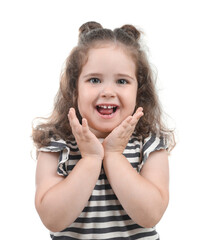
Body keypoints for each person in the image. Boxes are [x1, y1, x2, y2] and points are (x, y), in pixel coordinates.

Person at [32, 21, 175, 239]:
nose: (108, 91)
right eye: (95, 80)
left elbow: (151, 215)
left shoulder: (150, 144)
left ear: (140, 91)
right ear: (74, 89)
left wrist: (114, 154)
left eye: (122, 81)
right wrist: (90, 159)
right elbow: (52, 219)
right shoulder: (57, 145)